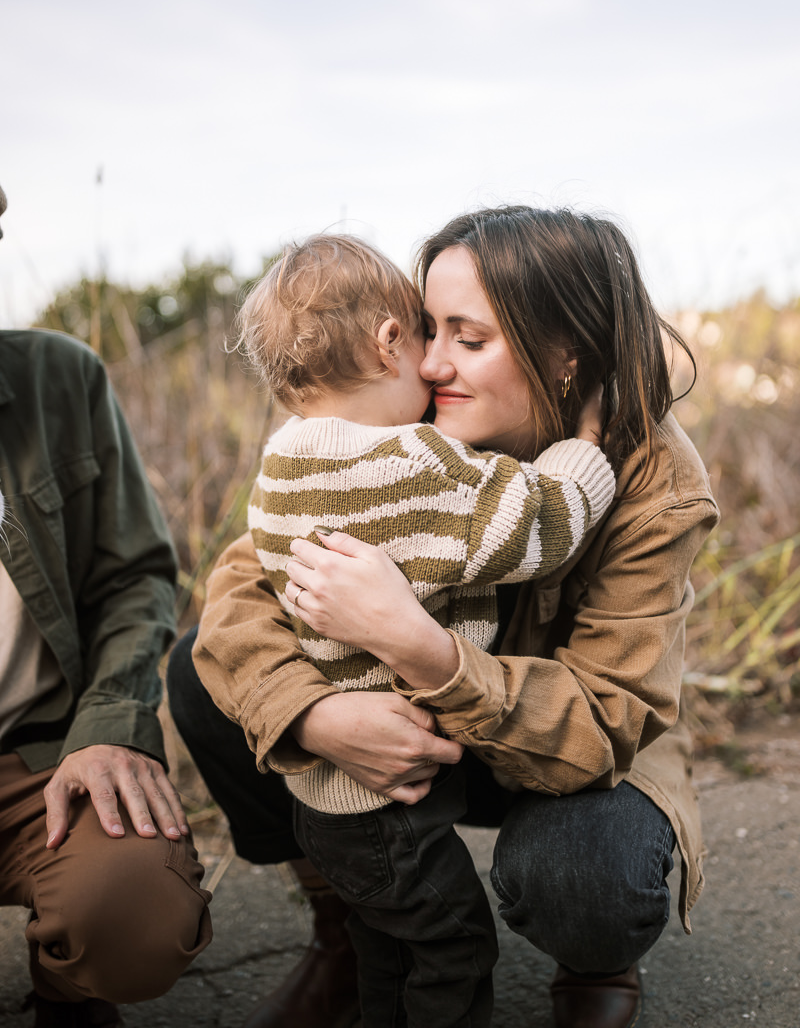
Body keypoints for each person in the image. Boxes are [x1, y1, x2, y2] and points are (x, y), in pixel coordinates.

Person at [168, 205, 719, 1028]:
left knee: (583, 873)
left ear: (565, 354)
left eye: (470, 338)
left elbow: (604, 720)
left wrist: (415, 643)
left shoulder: (656, 479)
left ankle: (595, 962)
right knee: (202, 672)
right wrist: (312, 716)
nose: (430, 361)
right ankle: (351, 921)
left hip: (570, 743)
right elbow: (244, 585)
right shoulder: (402, 410)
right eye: (429, 328)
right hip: (403, 741)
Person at [235, 233, 615, 1025]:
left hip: (325, 791)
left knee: (390, 945)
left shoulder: (279, 468)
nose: (436, 364)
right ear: (388, 342)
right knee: (451, 946)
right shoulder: (416, 463)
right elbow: (539, 524)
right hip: (397, 790)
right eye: (426, 334)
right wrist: (584, 450)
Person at [0, 184, 211, 1028]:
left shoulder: (59, 377)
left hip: (42, 753)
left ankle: (72, 997)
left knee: (133, 914)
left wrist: (110, 727)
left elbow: (136, 578)